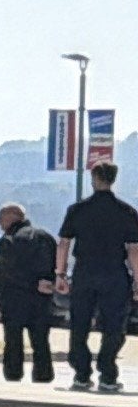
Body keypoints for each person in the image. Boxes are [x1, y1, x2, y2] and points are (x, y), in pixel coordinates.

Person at [63, 163, 138, 394]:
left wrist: (59, 274)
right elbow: (133, 249)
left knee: (80, 324)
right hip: (114, 273)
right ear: (113, 179)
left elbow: (64, 243)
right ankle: (107, 373)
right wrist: (137, 277)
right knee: (114, 326)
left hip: (85, 272)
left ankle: (82, 374)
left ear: (94, 178)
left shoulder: (77, 210)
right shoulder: (126, 212)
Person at [0, 201, 61, 385]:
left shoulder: (8, 241)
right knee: (40, 339)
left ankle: (13, 374)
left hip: (14, 297)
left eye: (1, 218)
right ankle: (43, 374)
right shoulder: (45, 237)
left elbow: (5, 272)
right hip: (41, 297)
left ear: (12, 216)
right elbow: (55, 266)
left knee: (13, 338)